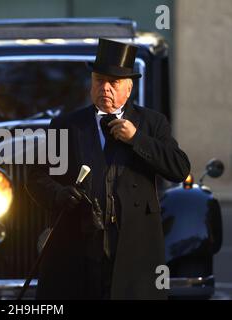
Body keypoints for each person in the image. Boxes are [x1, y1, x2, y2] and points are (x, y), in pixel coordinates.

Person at [26, 38, 190, 300]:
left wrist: (137, 139)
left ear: (128, 88)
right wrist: (58, 194)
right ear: (91, 84)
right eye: (99, 81)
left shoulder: (152, 123)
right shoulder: (66, 125)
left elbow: (179, 168)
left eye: (113, 83)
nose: (105, 88)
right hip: (78, 249)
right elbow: (36, 178)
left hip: (133, 249)